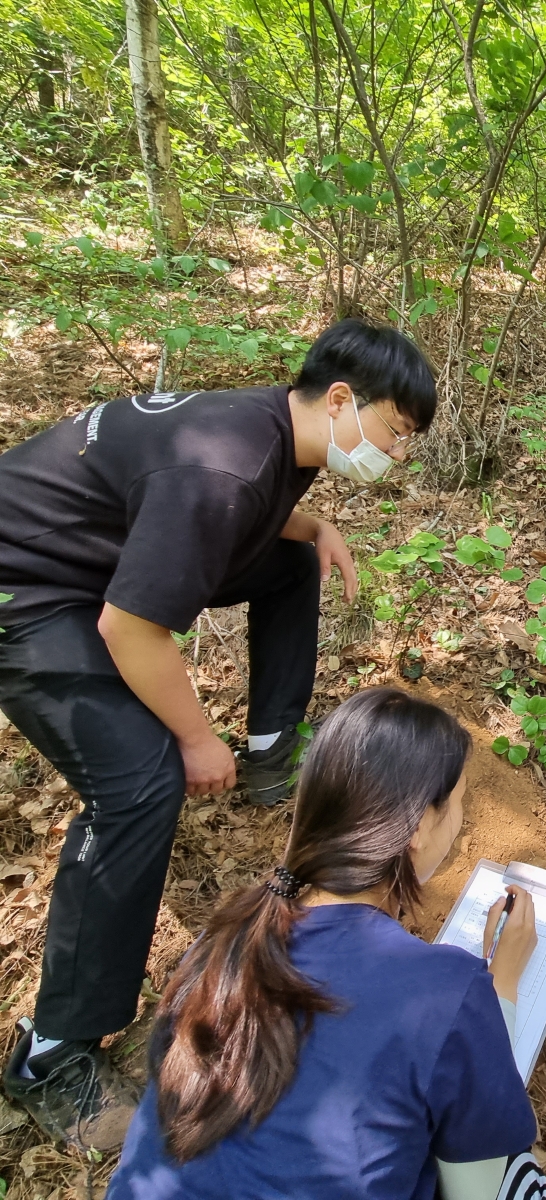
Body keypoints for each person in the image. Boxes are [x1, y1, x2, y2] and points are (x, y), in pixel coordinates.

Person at [0, 318, 435, 1149]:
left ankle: (271, 752)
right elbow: (131, 628)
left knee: (290, 561)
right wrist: (197, 740)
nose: (397, 454)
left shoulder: (272, 432)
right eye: (397, 432)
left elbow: (228, 514)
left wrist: (313, 530)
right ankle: (49, 1054)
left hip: (87, 558)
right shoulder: (226, 463)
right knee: (139, 784)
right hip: (27, 586)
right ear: (343, 400)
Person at [105, 686, 546, 1200]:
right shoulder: (446, 989)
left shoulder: (220, 939)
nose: (460, 821)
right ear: (420, 825)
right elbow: (476, 1188)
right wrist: (505, 984)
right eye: (459, 804)